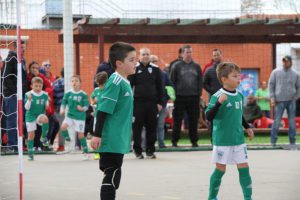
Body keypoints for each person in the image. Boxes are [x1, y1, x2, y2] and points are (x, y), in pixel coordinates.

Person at [90, 42, 136, 200]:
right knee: (112, 173)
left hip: (119, 137)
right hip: (112, 137)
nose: (135, 63)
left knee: (114, 175)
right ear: (119, 63)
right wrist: (97, 135)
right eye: (131, 60)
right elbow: (102, 109)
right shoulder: (115, 82)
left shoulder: (125, 82)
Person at [205, 62, 254, 200]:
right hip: (223, 140)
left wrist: (247, 127)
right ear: (224, 79)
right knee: (221, 169)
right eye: (235, 76)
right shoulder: (217, 96)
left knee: (244, 167)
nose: (239, 79)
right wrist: (219, 103)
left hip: (238, 139)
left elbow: (239, 115)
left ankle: (248, 198)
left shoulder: (239, 95)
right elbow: (208, 116)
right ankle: (212, 197)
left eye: (239, 76)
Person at [128, 48, 164, 159]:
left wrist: (160, 103)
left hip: (152, 104)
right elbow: (129, 87)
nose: (145, 56)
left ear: (150, 56)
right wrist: (130, 103)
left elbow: (160, 87)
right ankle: (138, 151)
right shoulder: (134, 68)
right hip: (138, 103)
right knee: (137, 128)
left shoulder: (156, 69)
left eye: (147, 54)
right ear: (139, 56)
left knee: (151, 127)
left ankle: (150, 150)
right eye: (143, 54)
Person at [170, 44, 202, 147]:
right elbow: (172, 81)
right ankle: (175, 141)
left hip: (193, 97)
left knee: (193, 120)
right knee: (178, 120)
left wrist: (199, 94)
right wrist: (173, 96)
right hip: (179, 97)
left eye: (190, 52)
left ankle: (194, 141)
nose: (189, 54)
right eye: (187, 52)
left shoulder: (196, 66)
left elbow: (200, 81)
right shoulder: (176, 66)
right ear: (182, 53)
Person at [268, 55, 300, 148]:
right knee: (277, 121)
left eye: (286, 61)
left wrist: (296, 97)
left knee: (292, 121)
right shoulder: (276, 72)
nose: (285, 63)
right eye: (284, 61)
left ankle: (292, 142)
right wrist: (272, 98)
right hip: (279, 100)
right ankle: (273, 142)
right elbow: (271, 85)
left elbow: (299, 87)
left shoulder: (296, 74)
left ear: (290, 62)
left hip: (291, 100)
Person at [2, 41, 27, 152]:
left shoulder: (23, 60)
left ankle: (18, 144)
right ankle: (11, 145)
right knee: (11, 119)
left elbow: (24, 79)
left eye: (24, 47)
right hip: (12, 95)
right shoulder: (11, 58)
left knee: (19, 120)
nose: (23, 49)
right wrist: (14, 93)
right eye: (21, 47)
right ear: (16, 47)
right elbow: (6, 78)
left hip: (21, 95)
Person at [59, 75, 89, 160]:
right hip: (70, 116)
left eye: (76, 81)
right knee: (63, 127)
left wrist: (82, 108)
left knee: (80, 135)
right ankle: (68, 139)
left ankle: (86, 152)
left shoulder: (83, 94)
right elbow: (63, 103)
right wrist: (62, 109)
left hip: (79, 117)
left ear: (80, 83)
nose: (74, 82)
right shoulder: (68, 93)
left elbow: (87, 106)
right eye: (72, 81)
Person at [150, 55, 175, 148]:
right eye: (152, 61)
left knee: (160, 125)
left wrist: (165, 99)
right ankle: (147, 144)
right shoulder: (146, 74)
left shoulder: (164, 74)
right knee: (148, 126)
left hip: (162, 105)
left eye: (155, 61)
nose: (153, 62)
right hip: (149, 105)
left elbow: (170, 87)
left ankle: (161, 143)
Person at [24, 77, 50, 161]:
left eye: (40, 86)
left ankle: (43, 137)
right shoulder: (28, 94)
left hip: (40, 115)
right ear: (32, 86)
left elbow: (47, 104)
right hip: (30, 115)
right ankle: (30, 153)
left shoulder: (45, 94)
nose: (38, 88)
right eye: (36, 86)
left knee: (45, 119)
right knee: (31, 135)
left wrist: (47, 105)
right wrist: (29, 100)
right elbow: (26, 108)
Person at [90, 71, 108, 160]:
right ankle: (97, 152)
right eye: (99, 84)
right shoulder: (96, 90)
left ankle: (106, 151)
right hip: (98, 115)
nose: (101, 86)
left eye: (102, 84)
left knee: (106, 134)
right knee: (97, 133)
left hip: (108, 116)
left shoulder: (109, 89)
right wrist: (93, 102)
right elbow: (92, 99)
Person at [53, 68, 65, 152]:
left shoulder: (56, 82)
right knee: (63, 127)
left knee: (61, 127)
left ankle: (61, 146)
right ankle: (61, 146)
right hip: (63, 108)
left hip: (56, 108)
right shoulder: (65, 82)